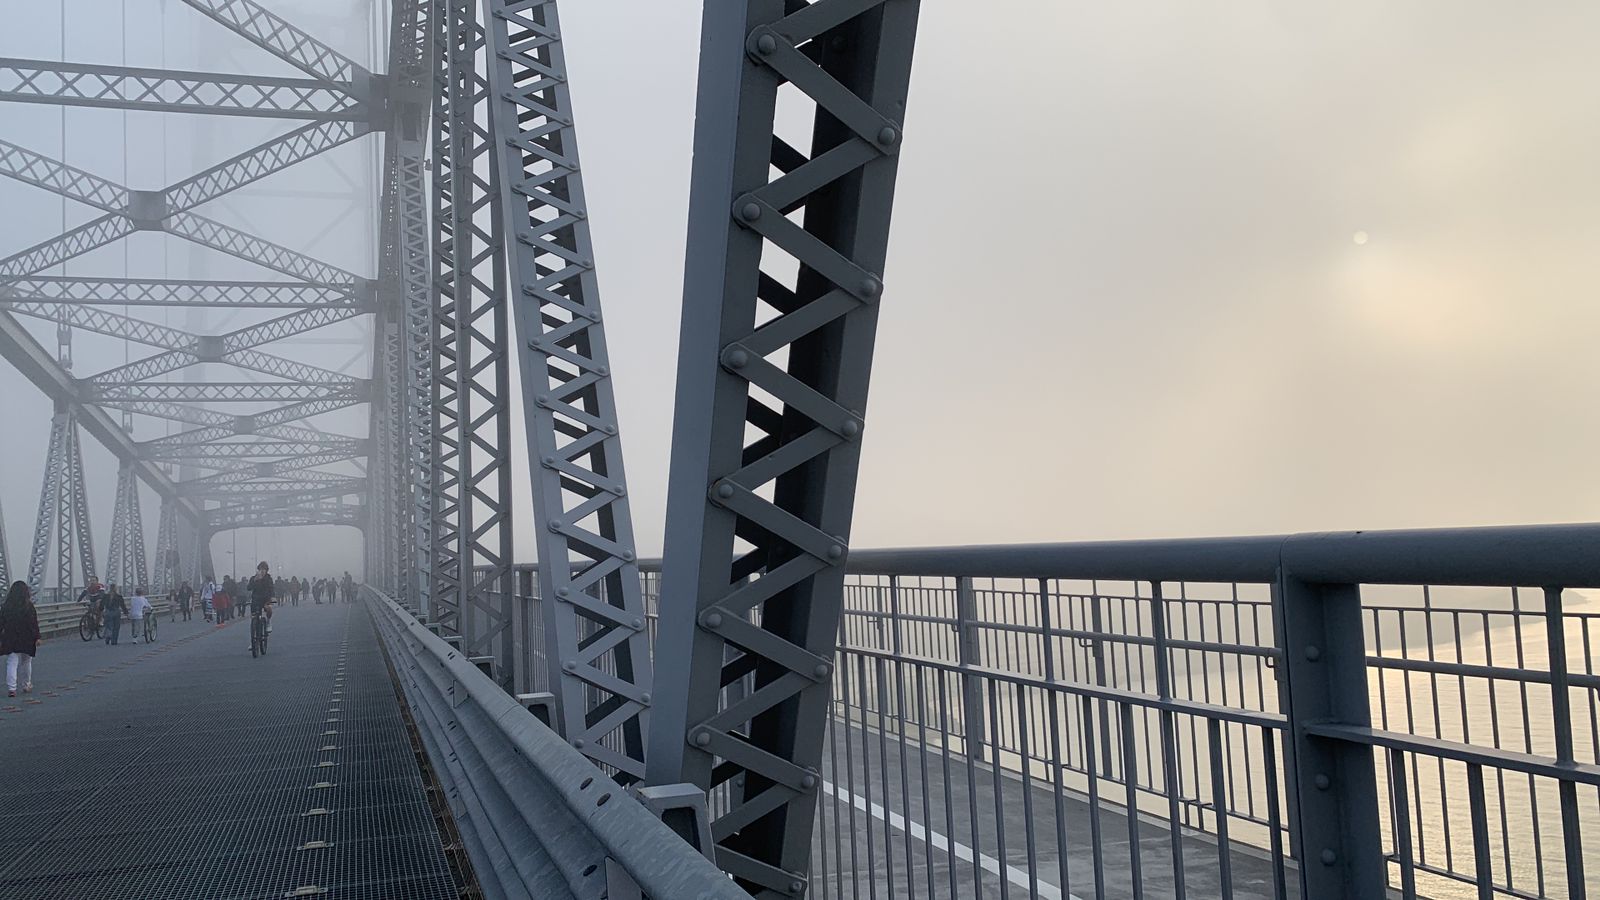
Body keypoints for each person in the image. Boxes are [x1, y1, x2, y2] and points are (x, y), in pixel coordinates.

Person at [0, 582, 40, 698]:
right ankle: (26, 684)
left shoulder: (6, 606)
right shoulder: (29, 606)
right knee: (26, 662)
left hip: (10, 637)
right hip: (27, 637)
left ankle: (12, 688)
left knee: (12, 662)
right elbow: (33, 623)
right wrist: (37, 637)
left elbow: (1, 623)